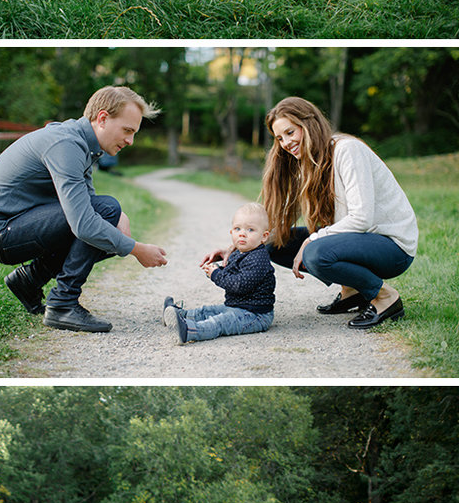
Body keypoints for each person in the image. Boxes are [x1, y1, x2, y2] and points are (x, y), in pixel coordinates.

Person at [0, 85, 169, 334]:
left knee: (109, 217)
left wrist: (119, 217)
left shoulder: (82, 143)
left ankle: (29, 280)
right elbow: (85, 223)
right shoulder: (66, 144)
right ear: (103, 118)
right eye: (127, 130)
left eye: (134, 133)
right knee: (105, 214)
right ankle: (62, 304)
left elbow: (88, 204)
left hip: (17, 226)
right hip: (0, 235)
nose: (130, 141)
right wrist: (137, 249)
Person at [259, 97, 418, 328]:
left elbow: (362, 218)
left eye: (290, 132)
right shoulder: (307, 162)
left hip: (392, 246)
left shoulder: (347, 150)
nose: (285, 142)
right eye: (279, 138)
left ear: (309, 123)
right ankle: (352, 291)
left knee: (315, 252)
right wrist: (244, 242)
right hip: (358, 242)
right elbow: (284, 215)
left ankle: (385, 297)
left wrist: (313, 239)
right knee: (274, 243)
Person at [164, 202, 275, 344]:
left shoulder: (258, 258)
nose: (242, 233)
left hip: (255, 315)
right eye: (237, 229)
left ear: (264, 236)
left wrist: (216, 274)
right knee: (210, 311)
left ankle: (190, 331)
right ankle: (179, 315)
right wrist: (214, 269)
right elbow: (231, 274)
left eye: (250, 230)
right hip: (238, 307)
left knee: (221, 321)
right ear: (231, 232)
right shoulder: (240, 253)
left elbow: (239, 284)